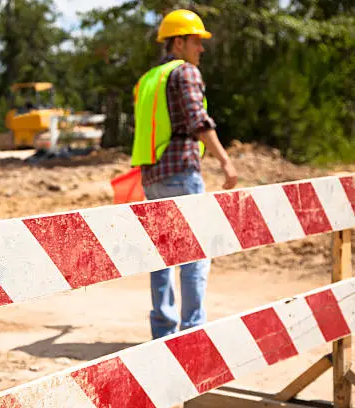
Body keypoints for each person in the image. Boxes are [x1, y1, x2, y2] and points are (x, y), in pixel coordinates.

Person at [131, 9, 238, 339]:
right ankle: (192, 333)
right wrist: (224, 160)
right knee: (194, 254)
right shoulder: (185, 73)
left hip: (152, 175)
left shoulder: (150, 79)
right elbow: (198, 120)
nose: (201, 49)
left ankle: (163, 331)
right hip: (181, 172)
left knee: (161, 255)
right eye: (196, 42)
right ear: (178, 43)